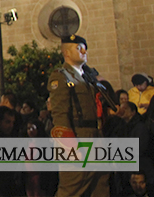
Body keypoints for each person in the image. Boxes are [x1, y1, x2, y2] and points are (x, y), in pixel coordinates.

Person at [47, 35, 109, 196]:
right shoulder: (61, 76)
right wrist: (70, 146)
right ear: (66, 53)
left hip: (95, 137)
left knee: (100, 188)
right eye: (78, 48)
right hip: (78, 138)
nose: (84, 51)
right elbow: (60, 115)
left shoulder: (87, 77)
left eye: (84, 48)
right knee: (72, 188)